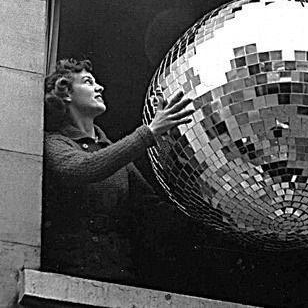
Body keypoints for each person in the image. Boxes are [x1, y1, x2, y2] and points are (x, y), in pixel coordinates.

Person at [42, 58, 194, 283]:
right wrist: (149, 132)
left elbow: (153, 209)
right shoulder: (54, 142)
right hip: (66, 276)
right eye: (88, 82)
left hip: (116, 276)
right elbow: (80, 169)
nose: (100, 87)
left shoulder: (114, 153)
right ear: (65, 93)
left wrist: (213, 218)